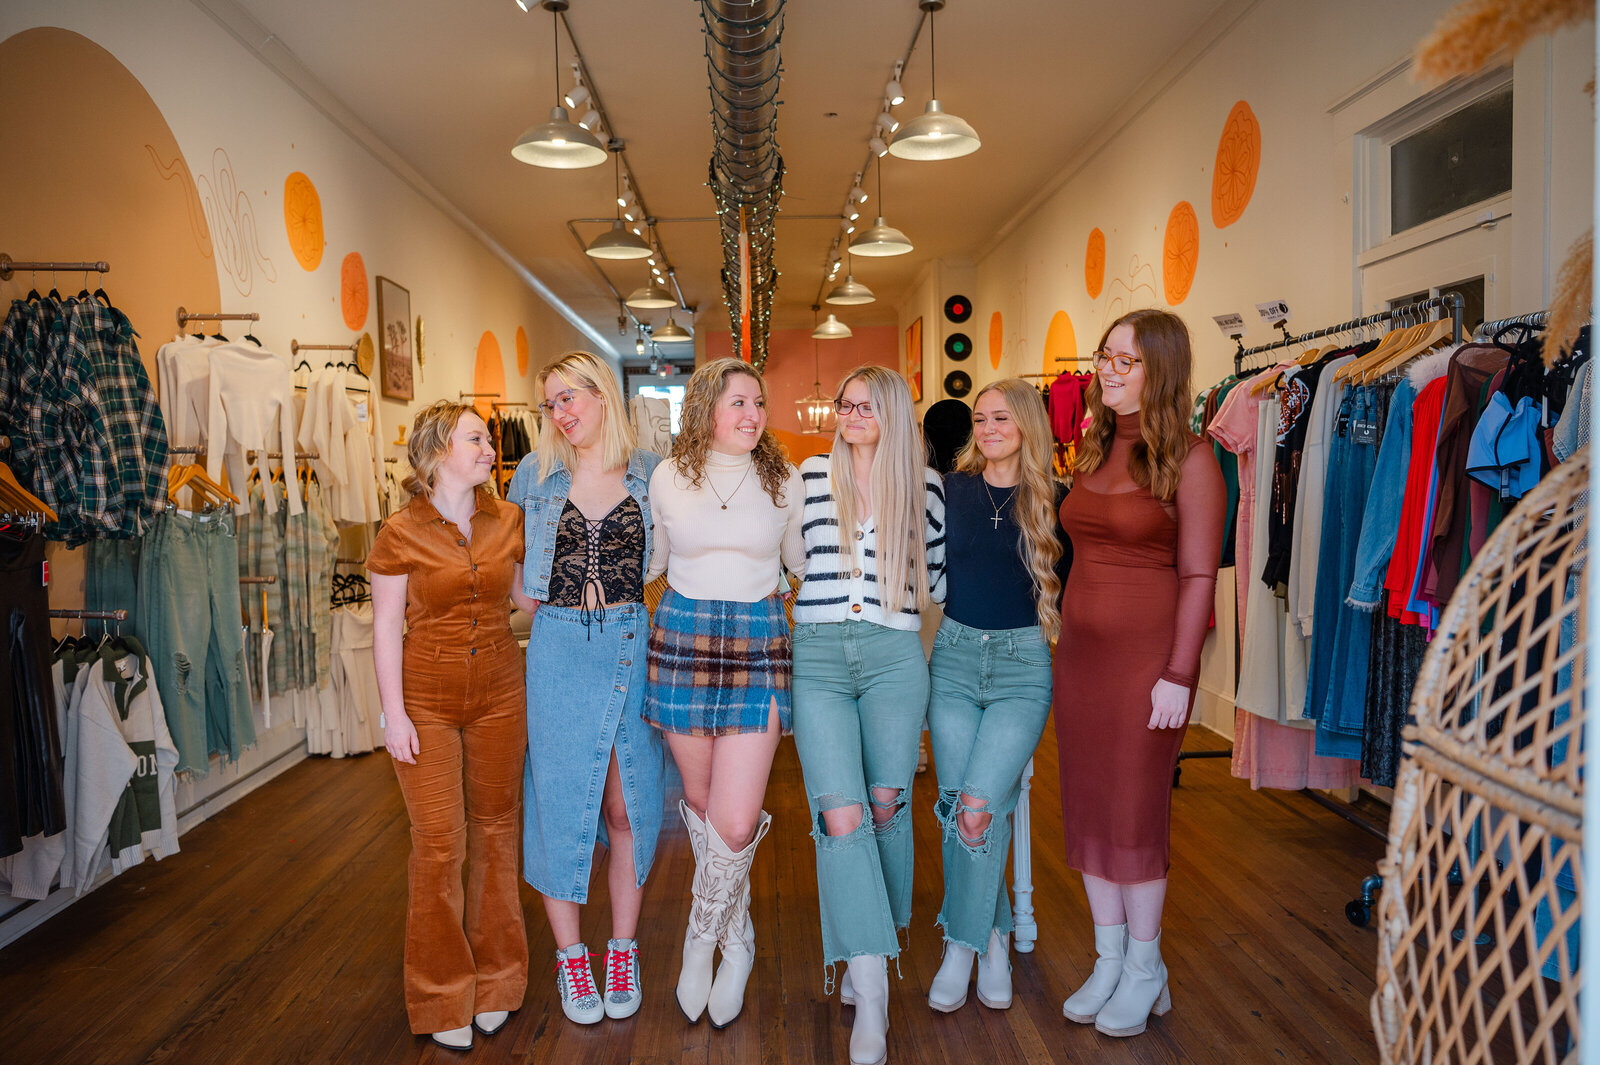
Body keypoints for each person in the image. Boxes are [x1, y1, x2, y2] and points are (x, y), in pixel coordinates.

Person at [1055, 309, 1225, 1037]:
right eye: (1105, 356)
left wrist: (1180, 672)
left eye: (1126, 360)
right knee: (1089, 805)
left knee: (1134, 809)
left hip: (1148, 662)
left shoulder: (1192, 457)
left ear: (1160, 368)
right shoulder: (1091, 449)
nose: (1109, 369)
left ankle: (1146, 963)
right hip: (1082, 657)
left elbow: (1198, 575)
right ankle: (1109, 956)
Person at [642, 357, 806, 1028]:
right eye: (738, 402)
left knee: (735, 822)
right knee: (706, 805)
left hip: (760, 639)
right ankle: (737, 938)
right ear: (706, 407)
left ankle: (700, 938)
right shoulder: (667, 477)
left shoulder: (785, 480)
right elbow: (651, 564)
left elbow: (799, 568)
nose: (751, 414)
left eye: (758, 402)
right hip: (681, 636)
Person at [791, 365, 946, 1065]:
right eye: (845, 405)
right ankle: (872, 989)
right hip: (819, 656)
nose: (851, 415)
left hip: (893, 655)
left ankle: (867, 955)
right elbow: (792, 559)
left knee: (887, 806)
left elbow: (941, 577)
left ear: (891, 413)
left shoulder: (927, 488)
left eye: (865, 406)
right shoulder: (806, 479)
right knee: (840, 814)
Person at [507, 352, 667, 1026]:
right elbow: (515, 579)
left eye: (572, 395)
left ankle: (621, 948)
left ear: (604, 394)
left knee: (627, 803)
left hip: (631, 641)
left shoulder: (651, 473)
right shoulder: (534, 473)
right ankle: (573, 958)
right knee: (560, 803)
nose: (562, 411)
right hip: (559, 647)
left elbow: (675, 561)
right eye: (551, 401)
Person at [368, 401, 528, 1051]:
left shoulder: (509, 518)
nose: (490, 448)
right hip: (425, 697)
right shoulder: (398, 531)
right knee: (439, 844)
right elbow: (383, 625)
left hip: (500, 691)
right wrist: (393, 712)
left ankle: (498, 981)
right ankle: (440, 995)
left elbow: (526, 600)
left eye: (489, 439)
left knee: (495, 835)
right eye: (476, 439)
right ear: (437, 453)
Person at [926, 378, 1070, 1014]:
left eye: (1001, 418)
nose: (987, 428)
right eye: (980, 418)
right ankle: (985, 941)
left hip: (1022, 669)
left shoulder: (1056, 500)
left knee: (981, 810)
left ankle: (967, 940)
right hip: (953, 661)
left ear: (1028, 424)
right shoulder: (947, 490)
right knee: (961, 813)